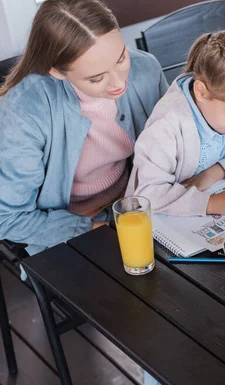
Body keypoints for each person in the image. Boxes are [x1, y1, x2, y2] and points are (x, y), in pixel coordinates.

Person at [0, 0, 168, 257]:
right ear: (56, 71)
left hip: (141, 207)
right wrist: (99, 228)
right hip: (69, 231)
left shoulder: (146, 68)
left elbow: (171, 150)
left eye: (121, 57)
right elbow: (8, 217)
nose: (118, 82)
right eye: (97, 77)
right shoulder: (25, 109)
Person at [126, 30, 225, 217]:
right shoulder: (165, 128)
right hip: (155, 223)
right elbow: (148, 196)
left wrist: (215, 172)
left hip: (210, 195)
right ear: (201, 92)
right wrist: (211, 204)